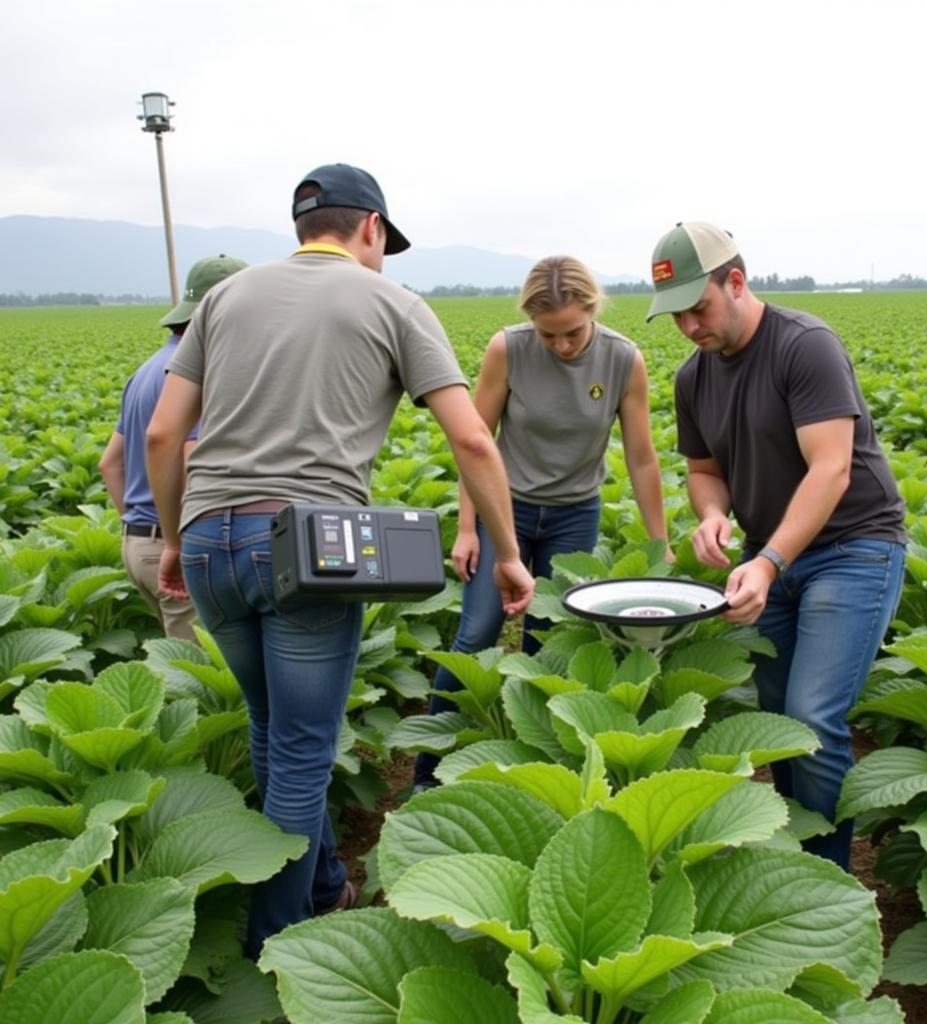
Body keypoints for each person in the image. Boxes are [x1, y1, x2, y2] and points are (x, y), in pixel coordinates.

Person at [145, 162, 534, 957]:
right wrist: (509, 555)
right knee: (299, 749)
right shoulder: (393, 301)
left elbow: (161, 434)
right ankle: (283, 939)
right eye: (385, 241)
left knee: (269, 727)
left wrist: (177, 537)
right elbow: (470, 437)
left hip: (213, 539)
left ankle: (323, 882)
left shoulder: (224, 297)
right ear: (371, 231)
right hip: (301, 548)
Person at [646, 221, 906, 870]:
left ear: (735, 282)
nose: (689, 328)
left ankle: (828, 883)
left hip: (854, 548)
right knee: (779, 724)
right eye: (674, 317)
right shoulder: (692, 378)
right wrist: (710, 518)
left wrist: (766, 560)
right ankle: (796, 866)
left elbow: (832, 469)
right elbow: (705, 472)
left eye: (697, 309)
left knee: (814, 717)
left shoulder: (804, 346)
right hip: (771, 554)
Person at [413, 255, 672, 790]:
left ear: (593, 311)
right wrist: (466, 527)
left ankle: (535, 769)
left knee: (546, 644)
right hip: (502, 508)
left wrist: (659, 544)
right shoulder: (509, 348)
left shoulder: (624, 359)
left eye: (573, 332)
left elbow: (643, 459)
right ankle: (427, 773)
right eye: (548, 334)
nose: (562, 346)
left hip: (575, 514)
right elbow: (475, 441)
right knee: (477, 633)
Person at [99, 254, 247, 640]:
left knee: (183, 665)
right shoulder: (195, 375)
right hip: (177, 548)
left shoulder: (148, 368)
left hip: (137, 545)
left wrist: (141, 527)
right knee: (199, 682)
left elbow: (109, 464)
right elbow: (188, 459)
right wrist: (174, 541)